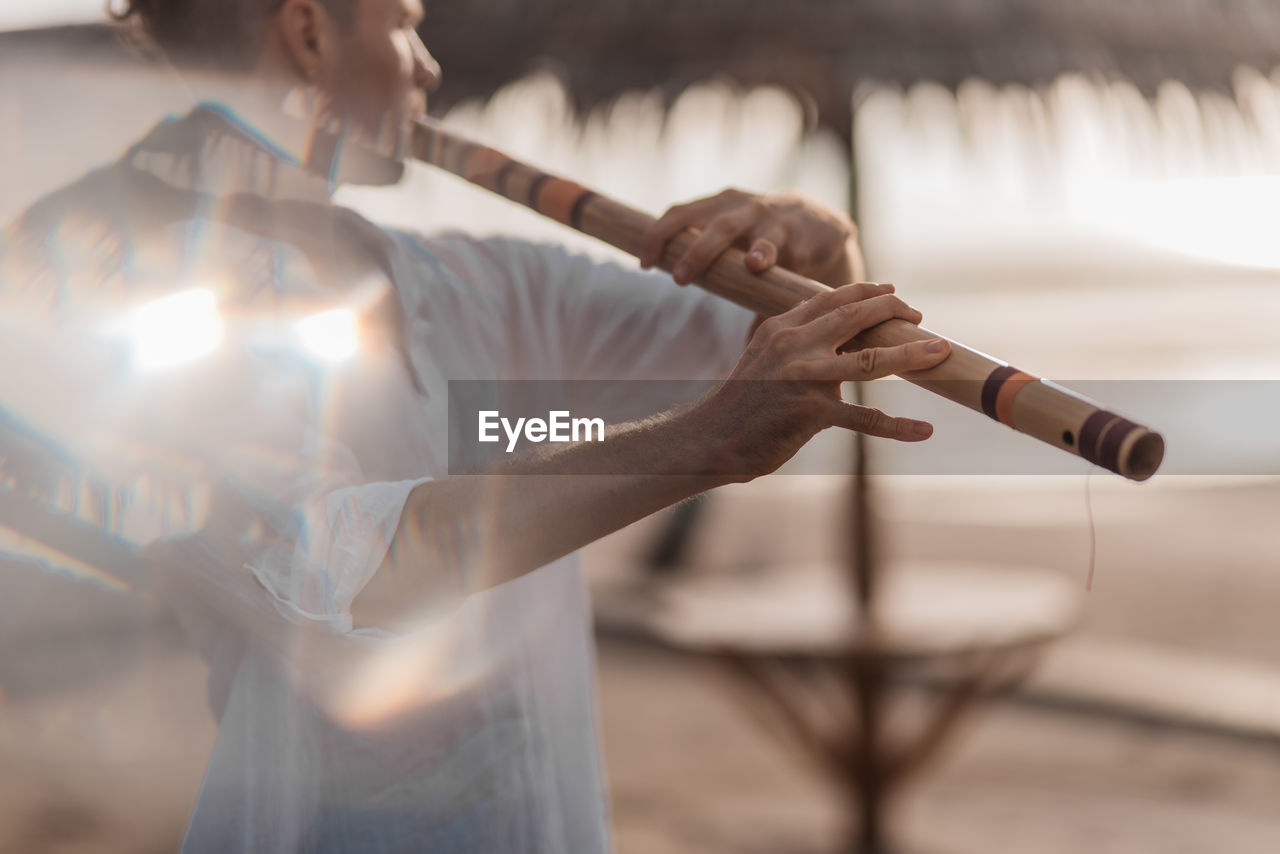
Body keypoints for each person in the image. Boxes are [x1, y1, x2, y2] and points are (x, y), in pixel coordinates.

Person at [0, 0, 951, 850]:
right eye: (405, 21)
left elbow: (763, 340)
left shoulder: (473, 282)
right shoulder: (125, 299)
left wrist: (816, 234)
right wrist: (705, 442)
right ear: (310, 30)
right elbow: (352, 568)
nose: (428, 67)